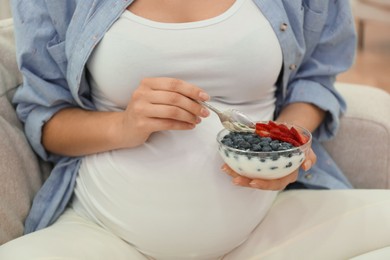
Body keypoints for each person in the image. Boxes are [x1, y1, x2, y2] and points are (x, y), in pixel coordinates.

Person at [1, 0, 390, 259]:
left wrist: (285, 143)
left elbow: (316, 79)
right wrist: (124, 124)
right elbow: (45, 119)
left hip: (269, 226)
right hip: (107, 232)